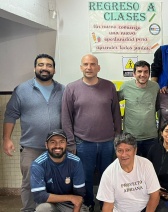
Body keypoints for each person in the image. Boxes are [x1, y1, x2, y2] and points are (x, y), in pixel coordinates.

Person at [2, 53, 64, 212]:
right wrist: (7, 139)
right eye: (41, 65)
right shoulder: (22, 90)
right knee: (30, 182)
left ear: (54, 70)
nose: (45, 68)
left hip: (56, 148)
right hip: (31, 147)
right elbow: (10, 114)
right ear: (35, 68)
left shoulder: (62, 90)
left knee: (55, 182)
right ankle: (29, 210)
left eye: (49, 65)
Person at [61, 54, 122, 211]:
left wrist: (117, 138)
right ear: (81, 67)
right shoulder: (71, 88)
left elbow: (116, 114)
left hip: (108, 142)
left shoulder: (109, 86)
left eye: (92, 64)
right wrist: (71, 142)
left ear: (98, 67)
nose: (89, 67)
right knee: (85, 178)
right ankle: (88, 205)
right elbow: (66, 117)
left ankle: (105, 206)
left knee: (107, 177)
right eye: (86, 64)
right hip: (82, 143)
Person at [97, 133, 168, 212]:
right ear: (116, 152)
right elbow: (108, 206)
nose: (124, 155)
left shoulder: (146, 164)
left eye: (128, 150)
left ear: (135, 150)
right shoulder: (108, 174)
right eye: (120, 150)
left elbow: (154, 195)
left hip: (146, 207)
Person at [30, 129, 87, 212]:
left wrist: (75, 205)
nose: (57, 145)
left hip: (69, 203)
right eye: (53, 142)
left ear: (66, 144)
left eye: (61, 142)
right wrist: (70, 197)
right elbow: (39, 196)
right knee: (42, 209)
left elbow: (79, 194)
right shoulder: (38, 164)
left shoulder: (76, 162)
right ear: (46, 145)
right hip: (49, 202)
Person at [118, 60, 159, 157]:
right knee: (131, 167)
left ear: (149, 73)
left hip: (151, 137)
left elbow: (159, 107)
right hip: (130, 137)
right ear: (134, 73)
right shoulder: (126, 87)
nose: (142, 74)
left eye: (145, 72)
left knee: (149, 167)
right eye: (139, 71)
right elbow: (113, 103)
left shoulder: (155, 87)